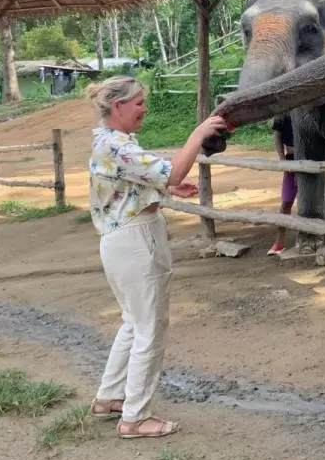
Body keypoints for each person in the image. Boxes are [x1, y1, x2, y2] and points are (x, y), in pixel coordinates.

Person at [86, 76, 229, 438]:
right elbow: (172, 170)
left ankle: (110, 397)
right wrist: (198, 135)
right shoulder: (116, 146)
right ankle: (134, 418)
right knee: (150, 328)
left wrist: (167, 187)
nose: (143, 108)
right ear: (117, 106)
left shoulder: (112, 143)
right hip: (136, 242)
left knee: (133, 323)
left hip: (120, 241)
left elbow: (134, 183)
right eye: (138, 102)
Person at [268, 114, 296, 256]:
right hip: (291, 161)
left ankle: (315, 236)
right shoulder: (283, 113)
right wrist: (282, 158)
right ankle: (279, 242)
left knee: (310, 201)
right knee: (286, 202)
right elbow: (277, 135)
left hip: (311, 156)